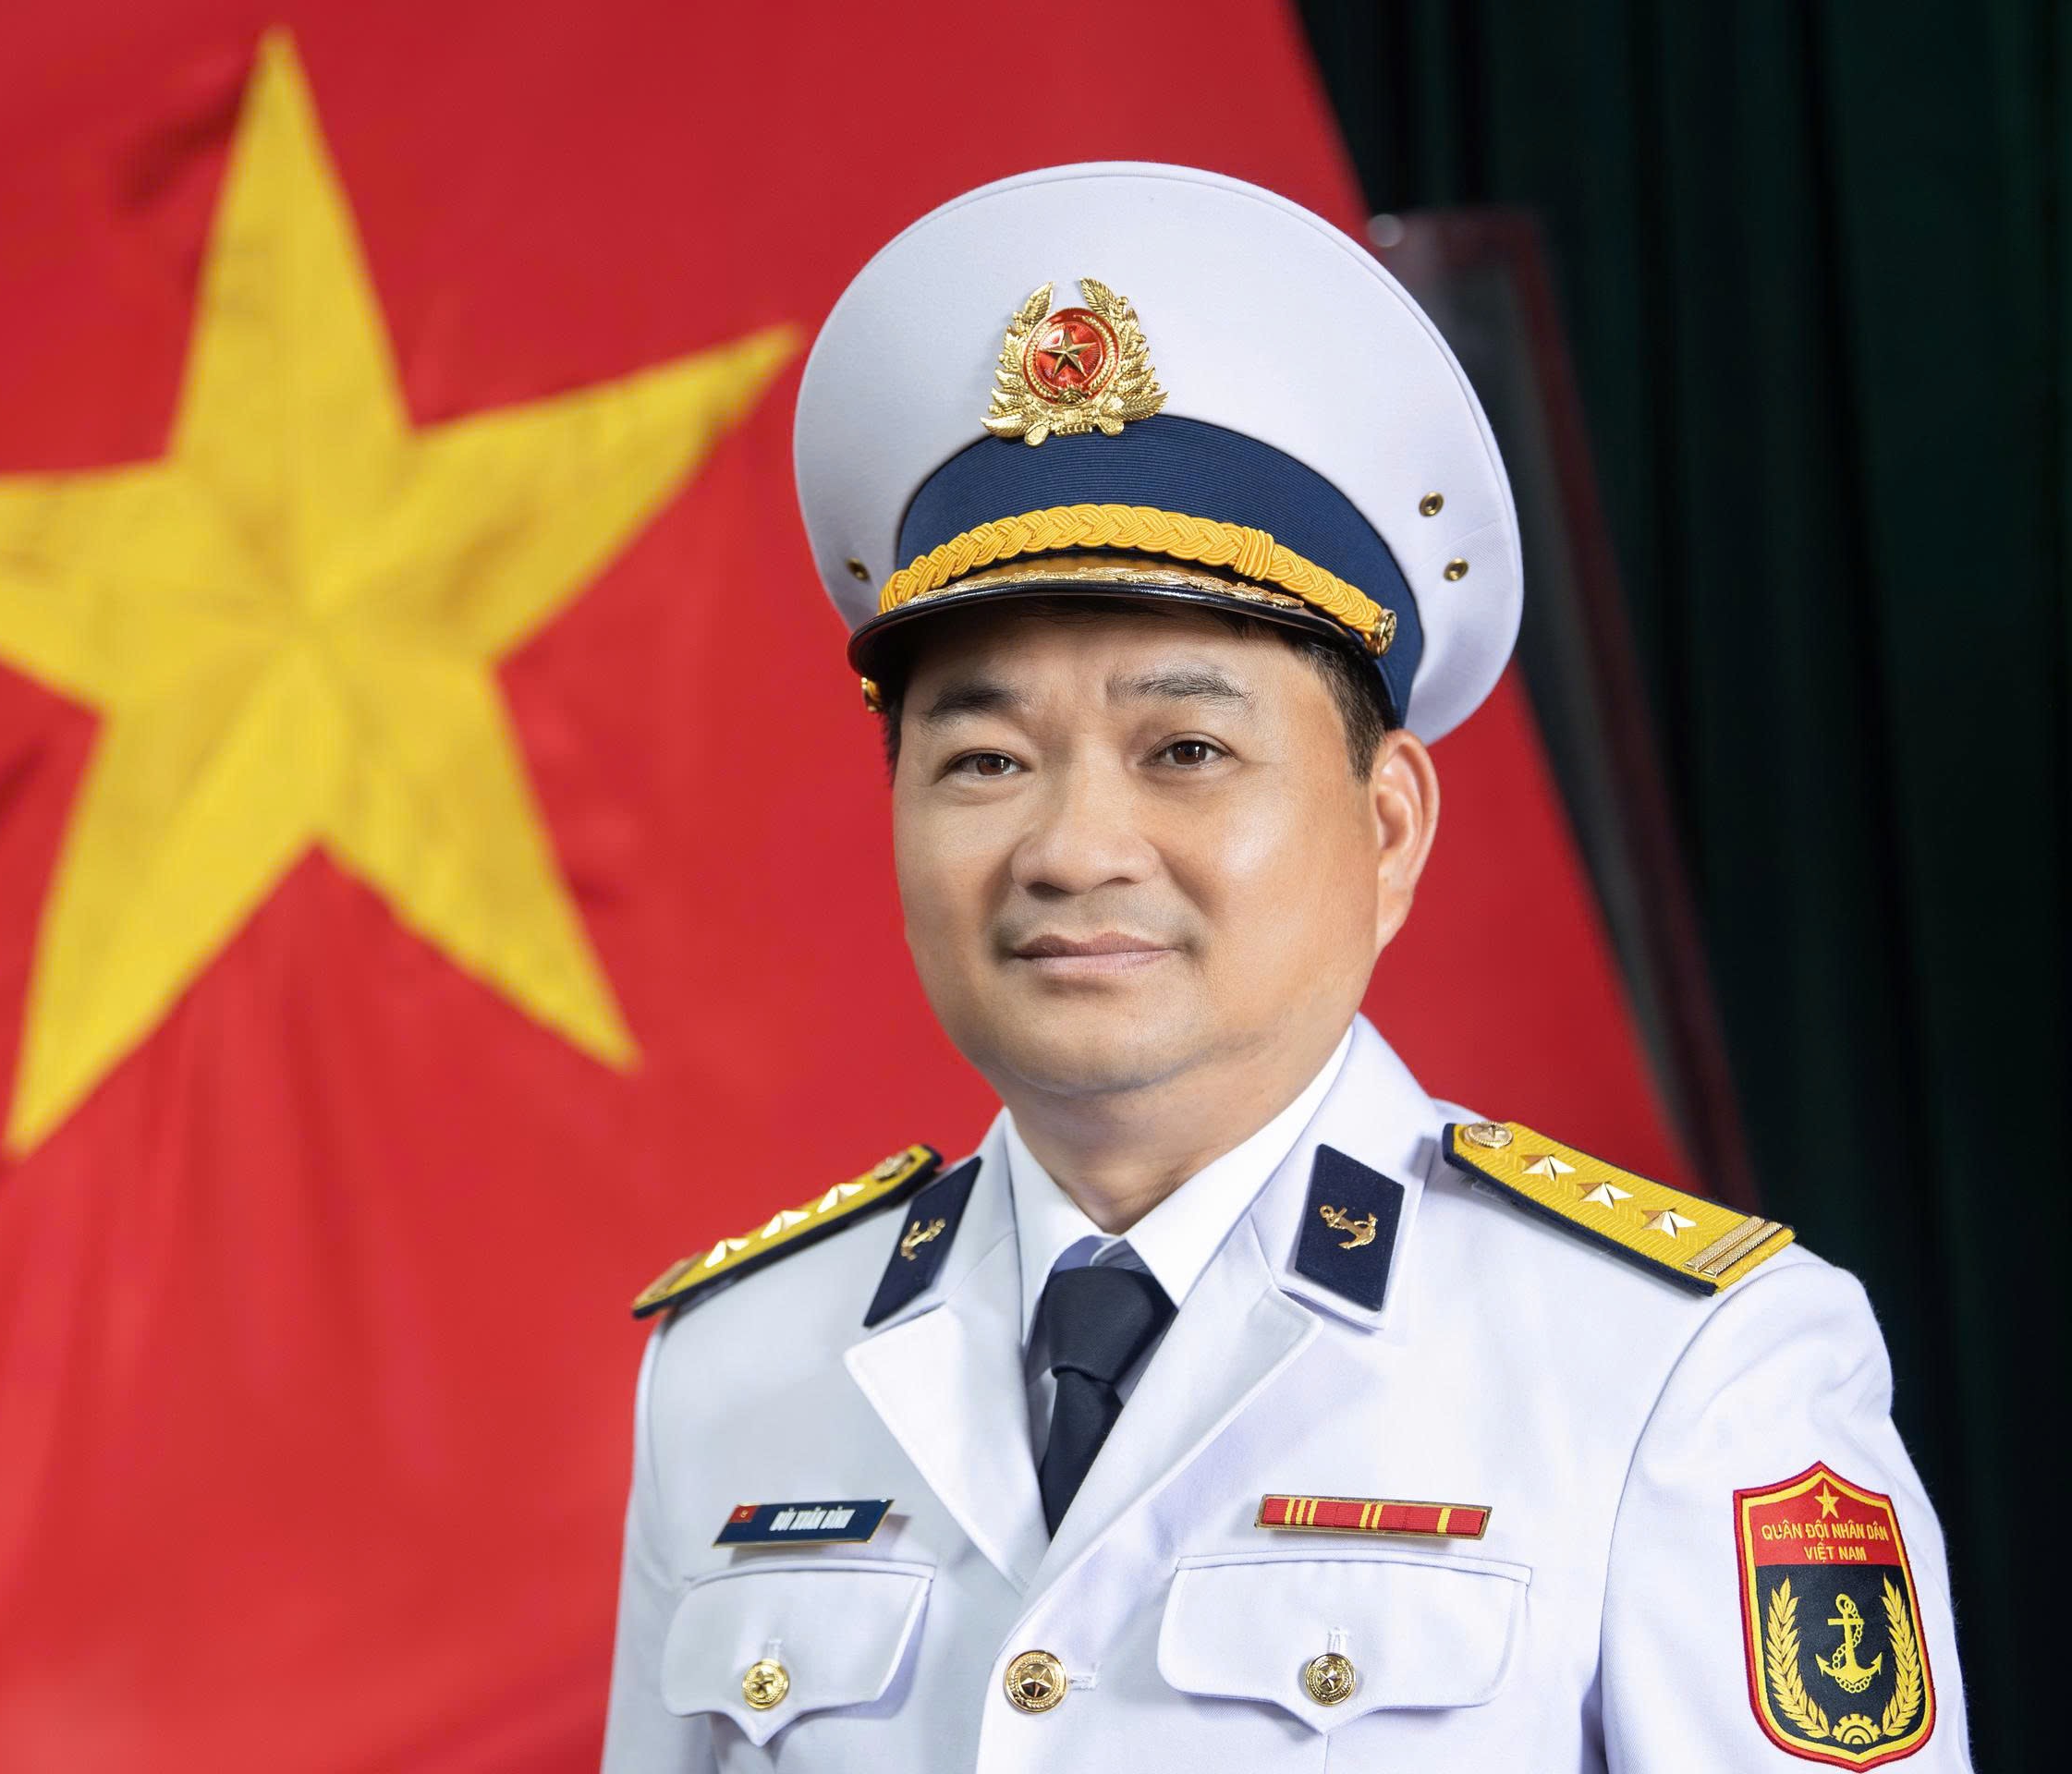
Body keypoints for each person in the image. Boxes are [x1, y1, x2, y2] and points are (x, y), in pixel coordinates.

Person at [600, 164, 1970, 1772]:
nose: (1071, 849)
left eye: (1184, 749)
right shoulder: (736, 1372)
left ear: (1387, 828)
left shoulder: (1680, 1372)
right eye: (984, 761)